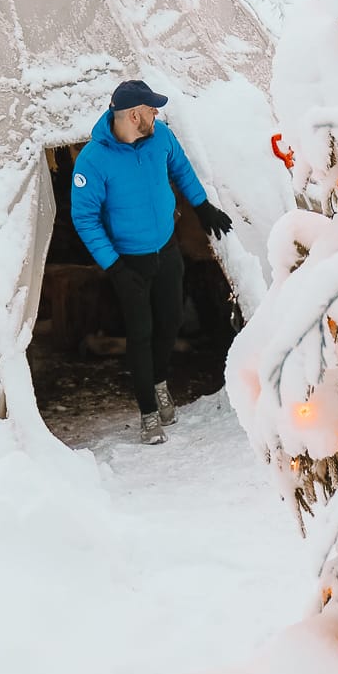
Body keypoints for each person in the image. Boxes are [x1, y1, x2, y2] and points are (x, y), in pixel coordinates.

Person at [69, 77, 233, 446]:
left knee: (170, 322)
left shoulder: (160, 137)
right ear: (131, 116)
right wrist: (114, 267)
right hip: (129, 263)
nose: (156, 113)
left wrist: (202, 206)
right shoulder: (93, 160)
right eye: (149, 109)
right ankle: (147, 411)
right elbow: (84, 218)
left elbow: (181, 167)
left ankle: (159, 382)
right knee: (140, 333)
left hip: (167, 249)